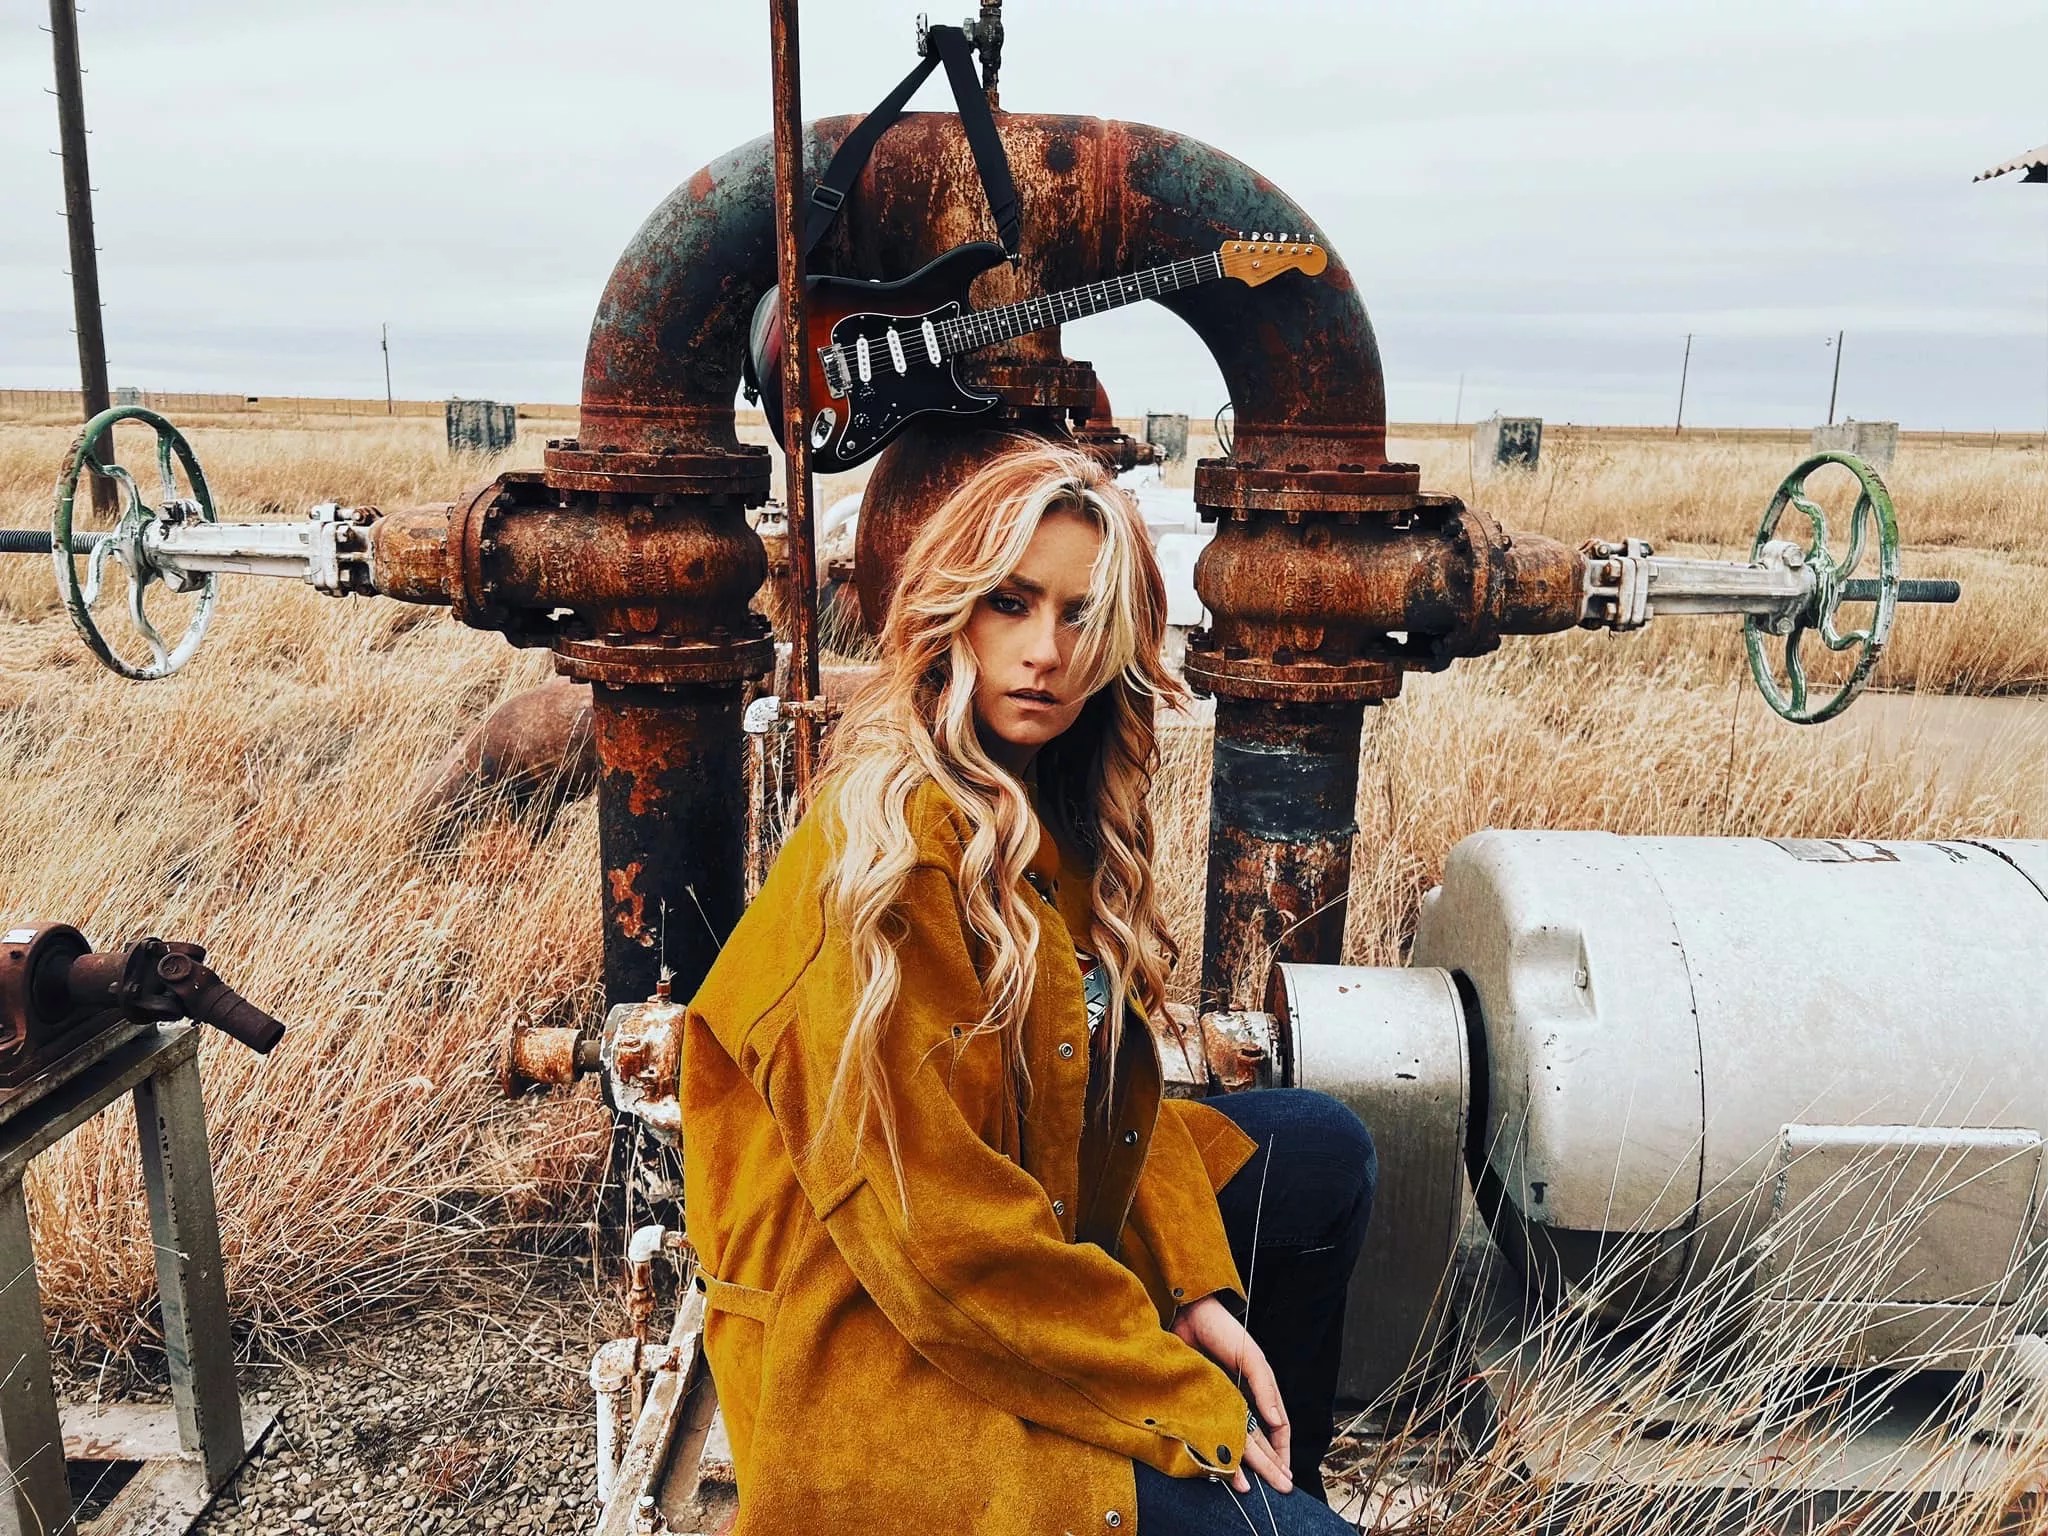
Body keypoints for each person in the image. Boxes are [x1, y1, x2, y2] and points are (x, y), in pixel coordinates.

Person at [680, 438, 1376, 1535]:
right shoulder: (890, 859)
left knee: (1319, 1151)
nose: (1043, 652)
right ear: (951, 609)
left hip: (1016, 1229)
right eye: (1009, 602)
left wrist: (1193, 1287)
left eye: (1079, 616)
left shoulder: (1038, 810)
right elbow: (937, 1242)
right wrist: (1176, 1396)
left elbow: (1103, 1098)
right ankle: (1247, 1497)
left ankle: (1270, 1478)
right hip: (878, 1331)